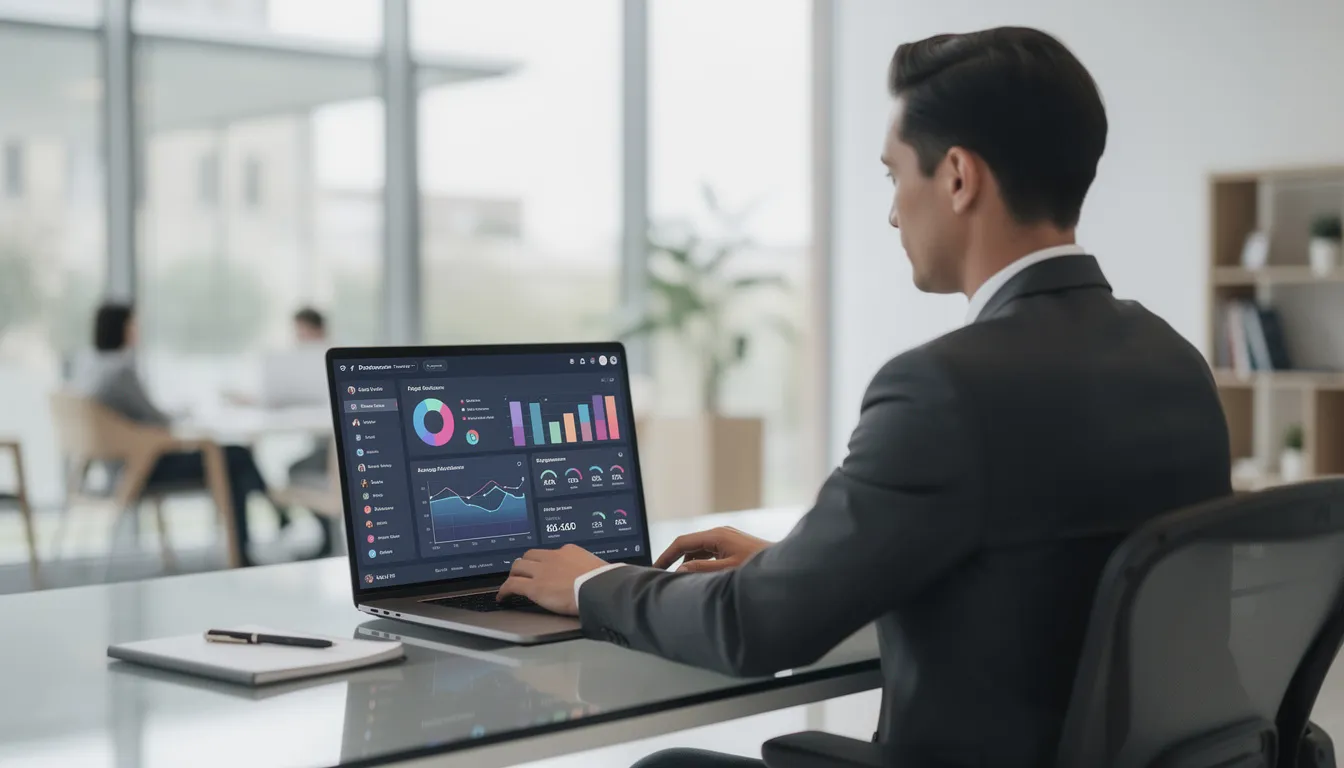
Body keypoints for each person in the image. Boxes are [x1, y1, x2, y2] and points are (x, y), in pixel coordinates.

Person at [494, 27, 1233, 767]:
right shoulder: (1174, 360)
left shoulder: (946, 388)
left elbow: (753, 631)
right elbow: (1043, 572)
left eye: (892, 176)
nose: (890, 213)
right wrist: (811, 566)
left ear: (956, 177)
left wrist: (594, 584)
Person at [80, 303, 276, 567]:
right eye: (134, 324)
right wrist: (181, 415)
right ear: (123, 328)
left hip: (120, 466)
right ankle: (265, 521)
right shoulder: (121, 371)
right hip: (143, 466)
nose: (138, 330)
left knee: (232, 460)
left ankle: (264, 527)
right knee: (235, 456)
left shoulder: (93, 367)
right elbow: (157, 420)